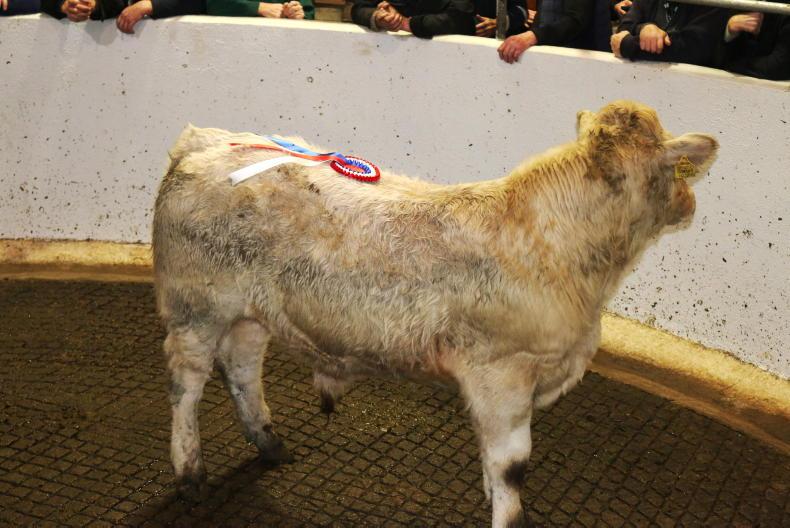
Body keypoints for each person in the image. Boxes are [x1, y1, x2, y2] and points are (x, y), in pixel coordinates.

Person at [610, 0, 728, 66]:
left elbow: (691, 49)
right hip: (644, 80)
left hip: (697, 88)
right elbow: (624, 28)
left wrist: (629, 45)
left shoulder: (715, 3)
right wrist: (644, 28)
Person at [498, 0, 611, 63]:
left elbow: (576, 20)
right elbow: (545, 15)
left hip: (587, 63)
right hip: (555, 58)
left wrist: (533, 36)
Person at [718, 7, 789, 80]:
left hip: (769, 82)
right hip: (735, 77)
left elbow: (778, 67)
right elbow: (714, 54)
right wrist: (729, 31)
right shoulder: (734, 6)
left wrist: (730, 64)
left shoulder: (784, 12)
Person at [351, 0, 476, 38]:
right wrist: (378, 17)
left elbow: (462, 19)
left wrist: (405, 23)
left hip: (446, 59)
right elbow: (358, 9)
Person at [207, 0, 313, 19]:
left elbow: (308, 11)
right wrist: (259, 7)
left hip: (282, 44)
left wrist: (297, 13)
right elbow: (213, 4)